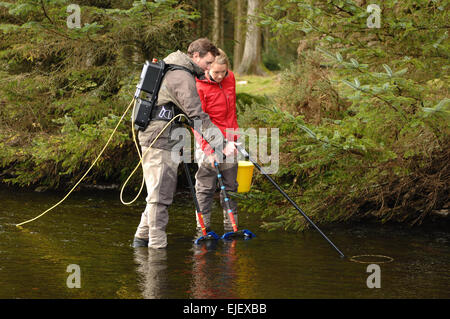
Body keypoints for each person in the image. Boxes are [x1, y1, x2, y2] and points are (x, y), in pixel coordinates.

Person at [133, 38, 236, 249]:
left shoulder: (177, 70)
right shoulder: (181, 77)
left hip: (163, 137)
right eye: (207, 64)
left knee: (156, 192)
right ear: (195, 56)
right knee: (160, 195)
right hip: (158, 139)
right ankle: (157, 249)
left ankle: (141, 239)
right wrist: (221, 144)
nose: (209, 69)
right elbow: (197, 116)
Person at [193, 48, 240, 233]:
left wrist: (234, 139)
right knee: (205, 187)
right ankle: (203, 228)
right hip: (207, 139)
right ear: (207, 69)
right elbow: (197, 122)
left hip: (229, 140)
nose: (220, 76)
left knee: (230, 185)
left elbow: (232, 112)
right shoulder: (198, 86)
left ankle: (231, 227)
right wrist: (209, 150)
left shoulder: (231, 78)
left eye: (224, 72)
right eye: (216, 72)